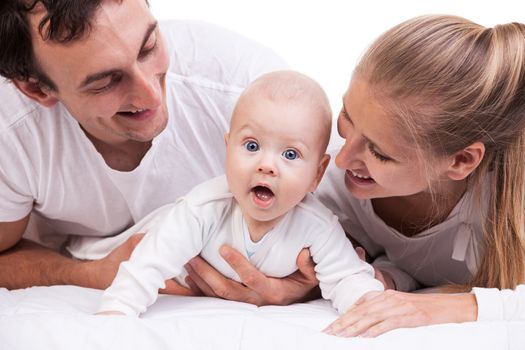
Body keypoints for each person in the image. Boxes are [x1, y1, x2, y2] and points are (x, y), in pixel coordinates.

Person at [178, 14, 525, 337]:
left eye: (378, 152)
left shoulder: (509, 196)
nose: (342, 159)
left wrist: (453, 306)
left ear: (462, 160)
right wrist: (302, 287)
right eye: (347, 116)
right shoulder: (320, 186)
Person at [0, 0, 322, 305]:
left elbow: (347, 237)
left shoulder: (250, 92)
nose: (151, 95)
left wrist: (296, 290)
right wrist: (87, 275)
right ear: (37, 89)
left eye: (148, 46)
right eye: (107, 81)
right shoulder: (12, 130)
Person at [93, 71, 383, 318]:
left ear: (317, 174)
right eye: (252, 146)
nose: (266, 166)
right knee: (94, 251)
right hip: (141, 239)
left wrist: (368, 307)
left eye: (290, 154)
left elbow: (346, 278)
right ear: (228, 149)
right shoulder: (203, 207)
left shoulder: (318, 226)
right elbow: (149, 262)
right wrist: (117, 310)